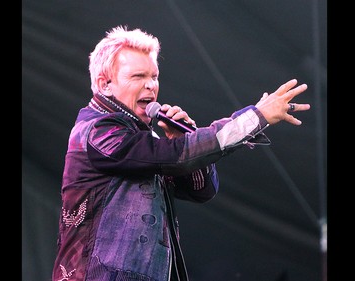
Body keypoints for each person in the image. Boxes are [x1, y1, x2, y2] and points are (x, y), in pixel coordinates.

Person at [52, 25, 310, 281]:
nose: (151, 86)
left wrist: (180, 137)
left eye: (154, 76)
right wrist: (255, 118)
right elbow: (173, 156)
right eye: (138, 77)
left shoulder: (144, 137)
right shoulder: (95, 130)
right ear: (104, 84)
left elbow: (202, 191)